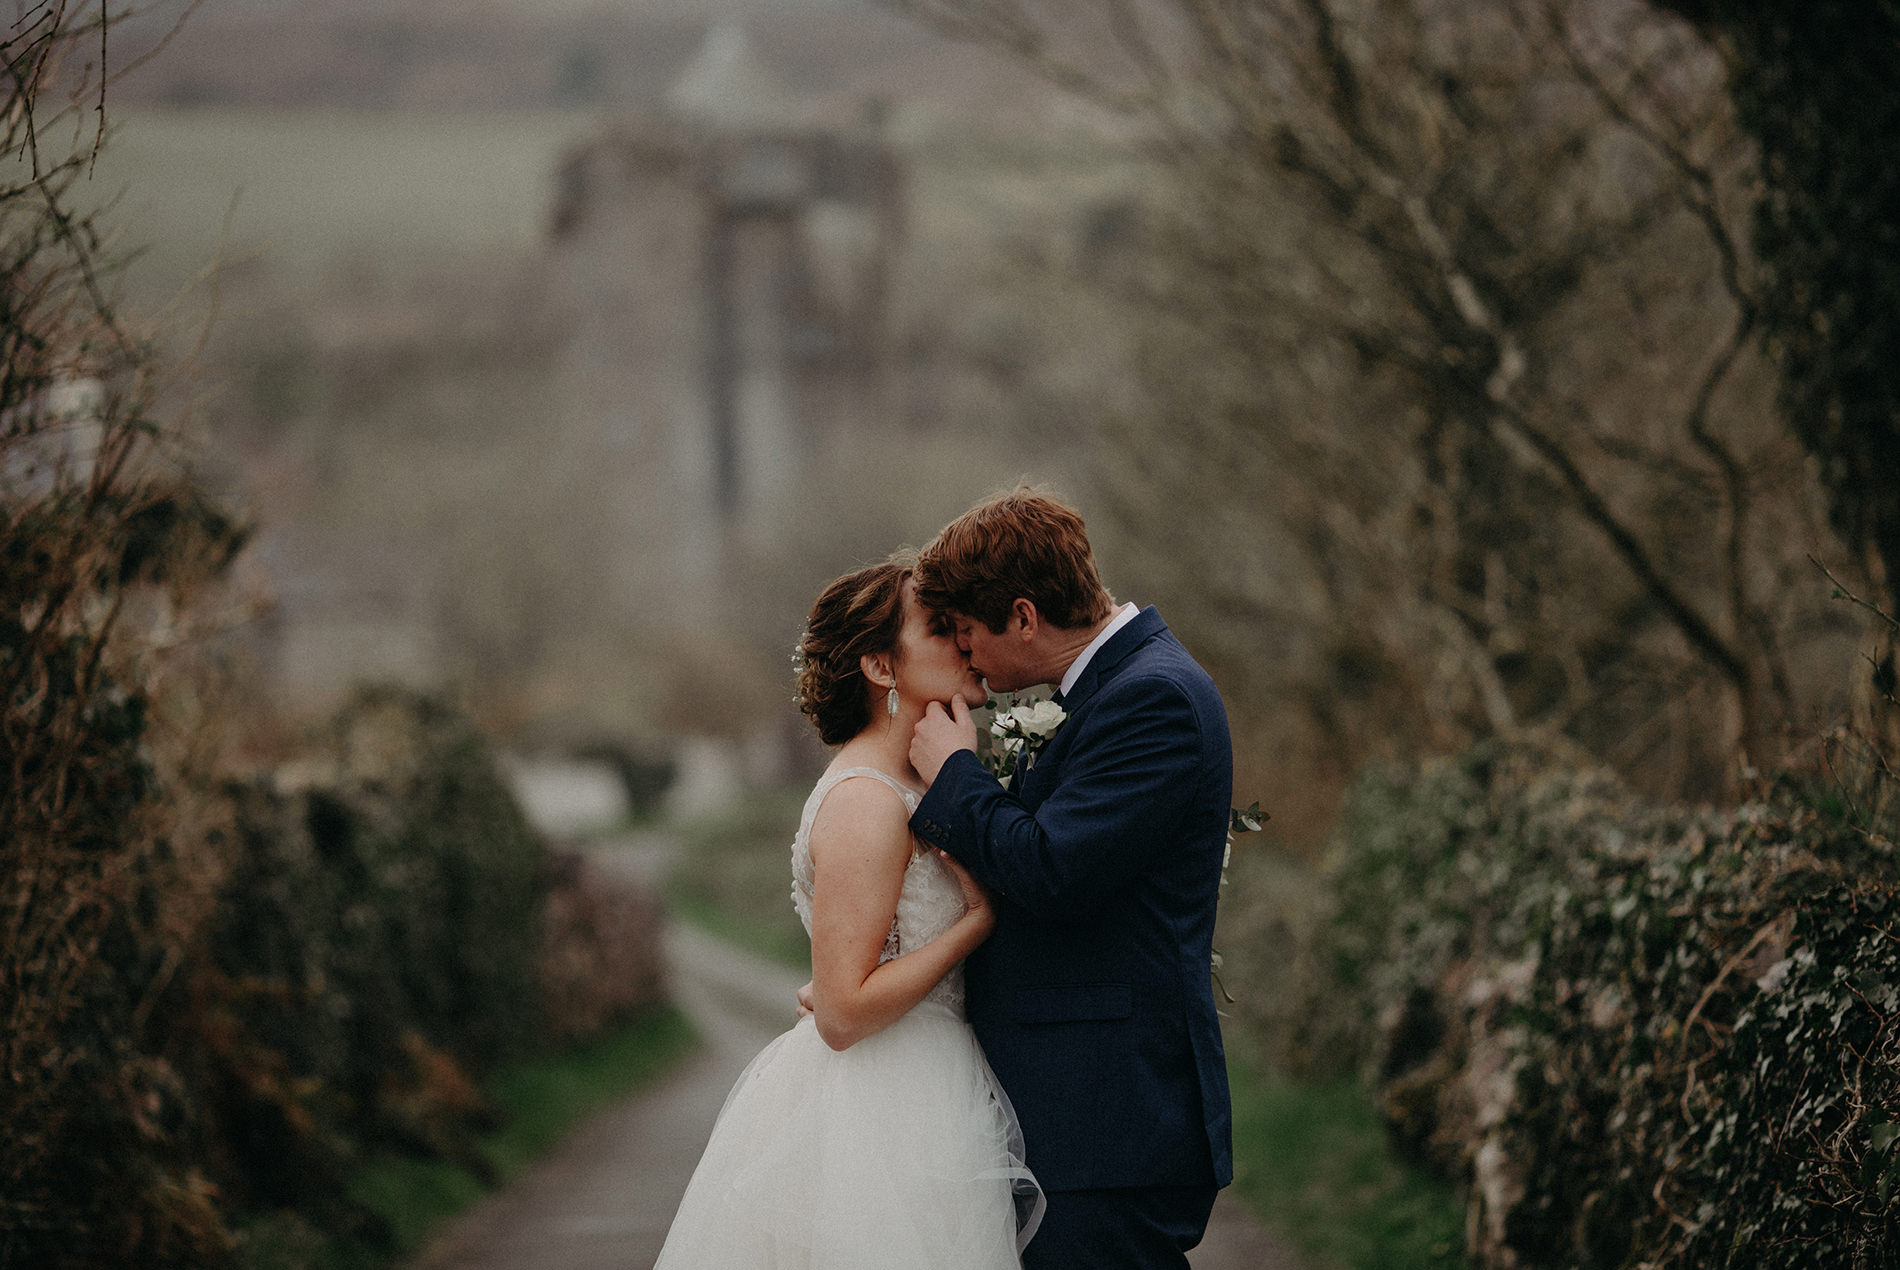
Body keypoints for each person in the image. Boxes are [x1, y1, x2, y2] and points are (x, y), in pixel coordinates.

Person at [653, 553, 1042, 1270]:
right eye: (939, 629)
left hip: (937, 1083)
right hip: (884, 1108)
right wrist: (974, 926)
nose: (964, 641)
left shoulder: (918, 784)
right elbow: (840, 1013)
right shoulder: (866, 801)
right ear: (881, 668)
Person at [904, 486, 1234, 1268]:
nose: (966, 656)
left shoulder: (1152, 698)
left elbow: (1055, 870)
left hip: (1106, 1119)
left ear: (1023, 616)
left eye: (967, 632)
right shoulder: (1112, 690)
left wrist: (955, 774)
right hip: (1085, 1116)